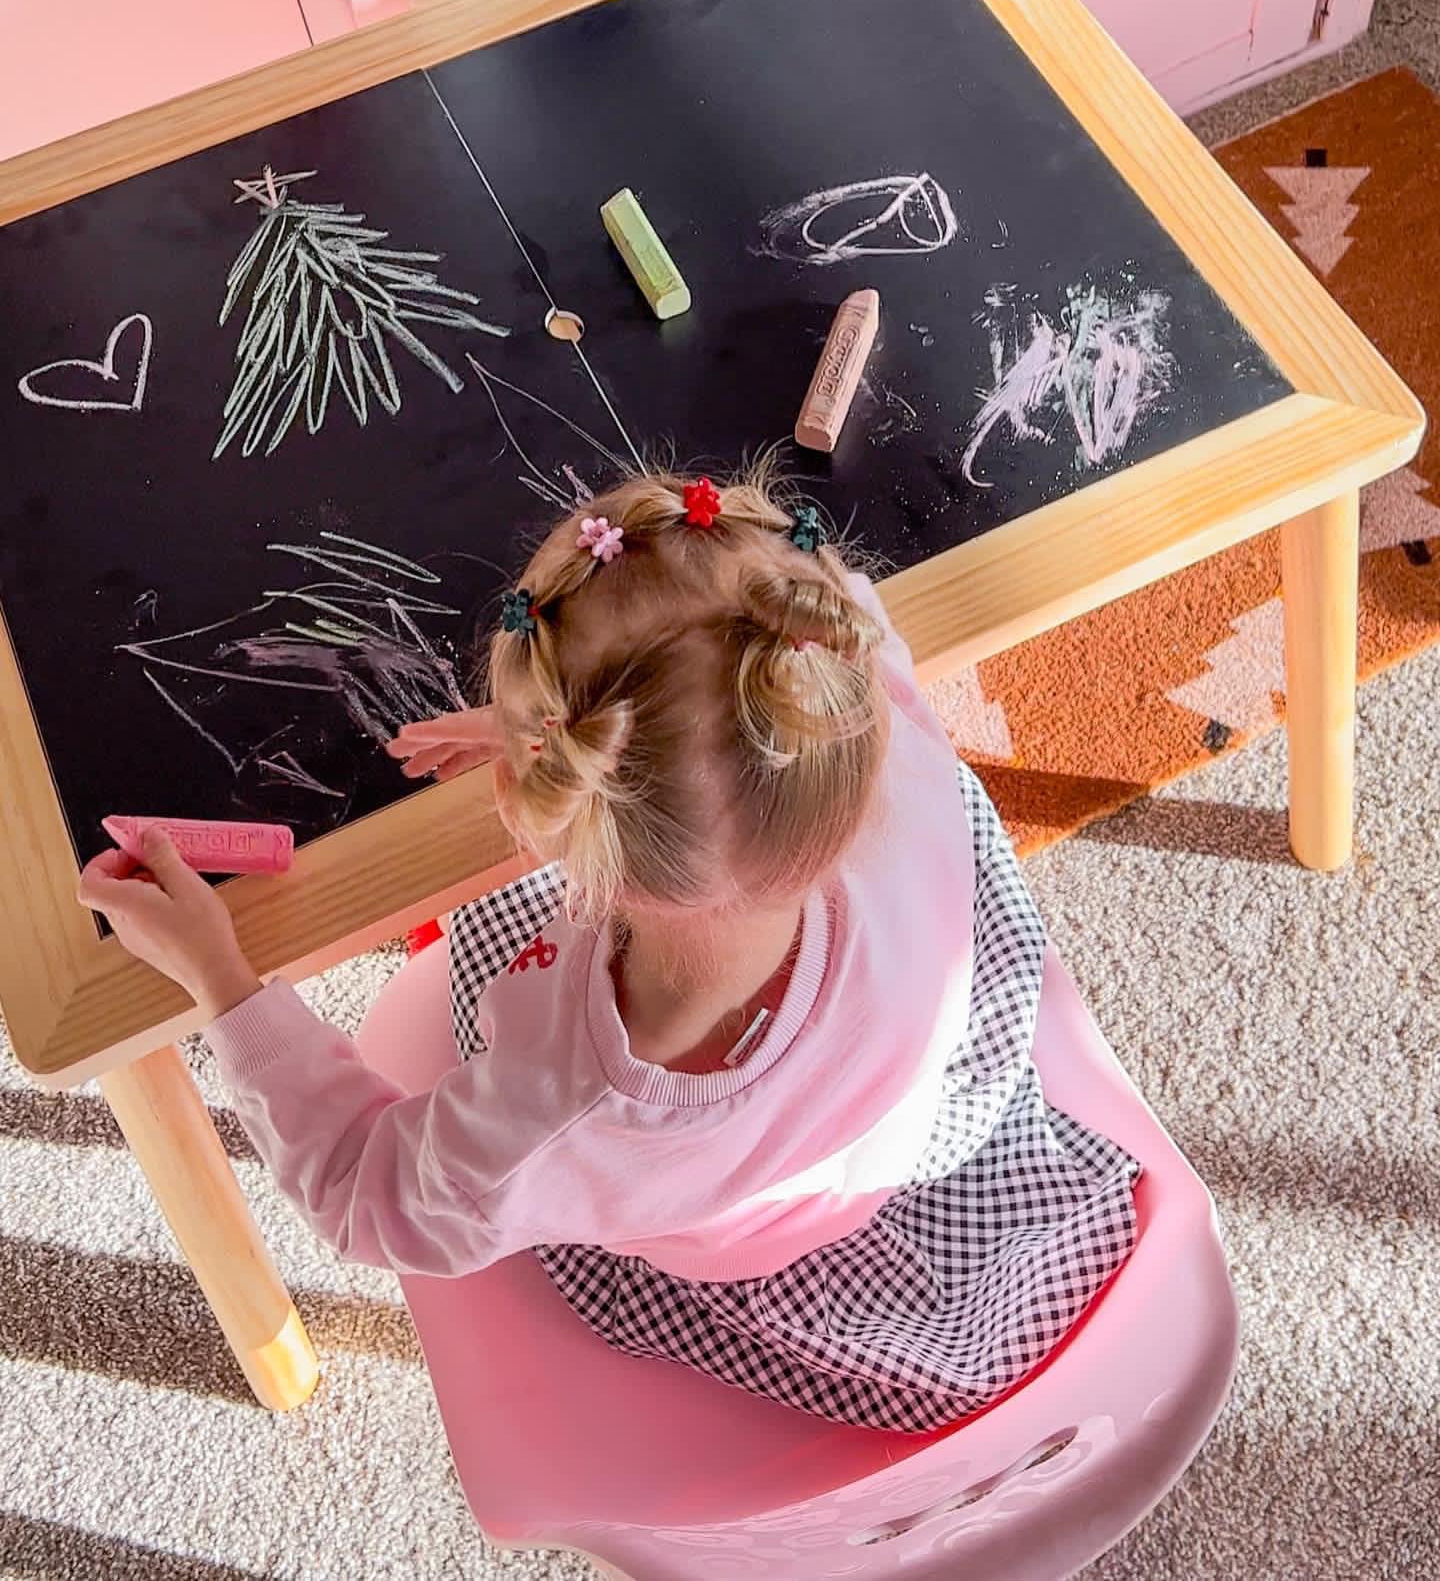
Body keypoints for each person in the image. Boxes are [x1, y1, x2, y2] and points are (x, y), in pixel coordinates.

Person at [78, 468, 1138, 1432]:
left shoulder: (568, 1091)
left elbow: (365, 1191)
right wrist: (568, 730)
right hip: (894, 1093)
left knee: (480, 951)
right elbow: (822, 615)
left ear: (573, 837)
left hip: (740, 1234)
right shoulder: (863, 709)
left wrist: (221, 978)